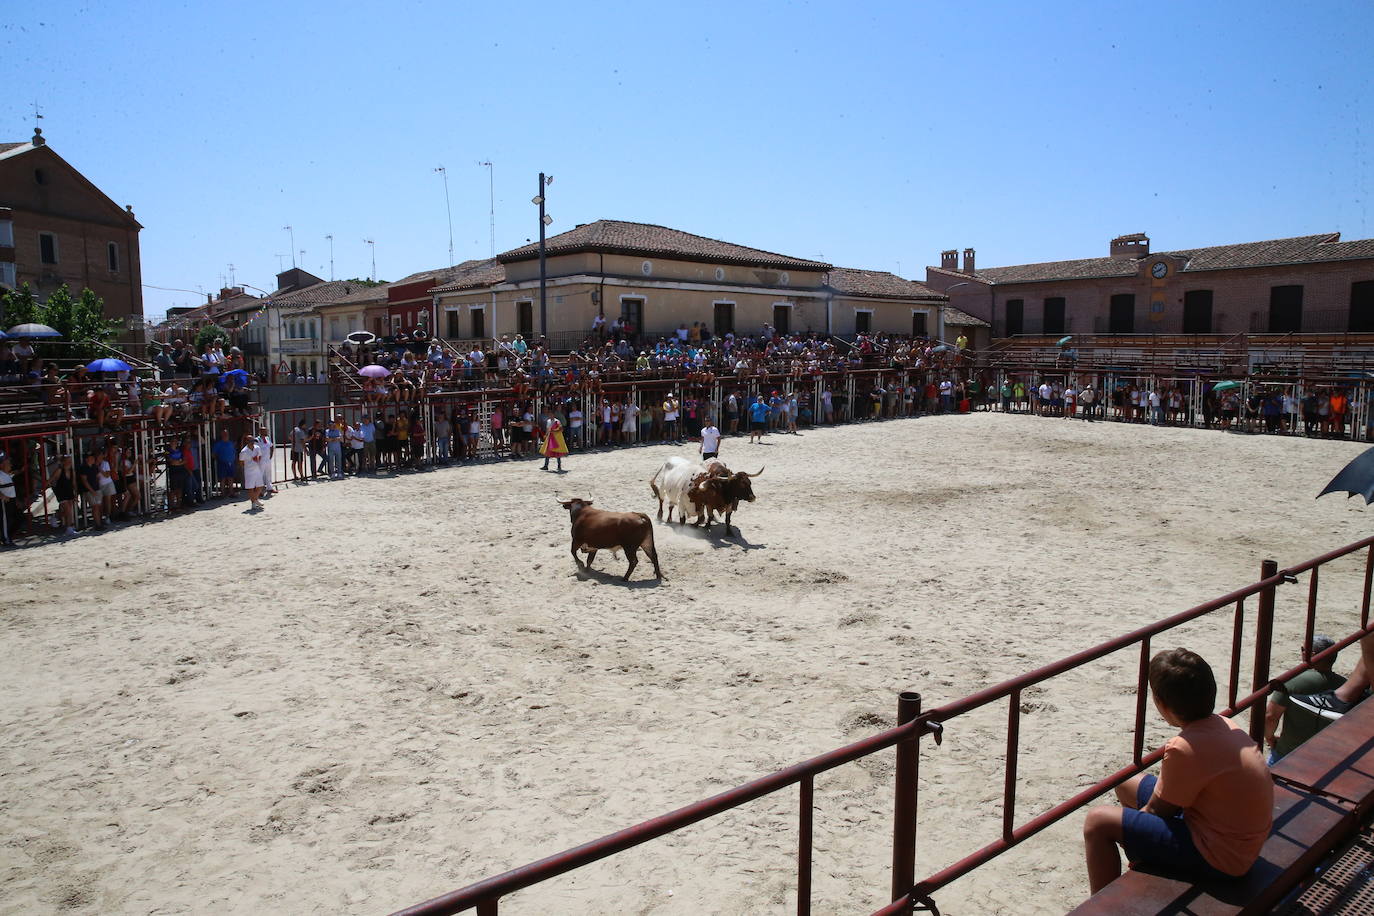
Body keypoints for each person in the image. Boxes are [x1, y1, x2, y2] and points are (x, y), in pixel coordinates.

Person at [1081, 648, 1272, 894]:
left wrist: (1137, 835)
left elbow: (1158, 810)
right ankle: (1148, 862)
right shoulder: (1224, 725)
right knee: (1126, 782)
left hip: (1223, 858)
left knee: (1098, 822)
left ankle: (1101, 908)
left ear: (1161, 703)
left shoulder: (1185, 747)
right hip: (1237, 840)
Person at [1264, 635, 1344, 765]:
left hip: (1290, 751)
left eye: (1302, 649)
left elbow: (1270, 717)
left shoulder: (1292, 681)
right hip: (1327, 755)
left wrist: (1270, 738)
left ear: (1312, 654)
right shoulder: (1346, 685)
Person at [239, 433, 265, 510]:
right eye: (251, 440)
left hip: (257, 470)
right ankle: (253, 503)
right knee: (250, 488)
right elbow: (241, 462)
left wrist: (257, 459)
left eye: (253, 440)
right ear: (247, 441)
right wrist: (249, 465)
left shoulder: (257, 448)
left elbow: (259, 456)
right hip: (249, 471)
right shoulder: (244, 451)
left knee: (260, 486)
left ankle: (255, 499)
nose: (252, 442)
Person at [212, 428, 238, 498]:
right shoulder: (218, 444)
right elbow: (213, 454)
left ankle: (231, 492)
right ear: (221, 435)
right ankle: (223, 494)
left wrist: (235, 460)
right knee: (222, 478)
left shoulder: (231, 443)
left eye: (226, 434)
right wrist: (219, 459)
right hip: (222, 463)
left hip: (231, 463)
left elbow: (234, 452)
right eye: (224, 434)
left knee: (231, 478)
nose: (225, 435)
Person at [0, 452, 18, 546]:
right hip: (5, 501)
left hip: (11, 500)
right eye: (7, 462)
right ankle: (6, 539)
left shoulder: (6, 474)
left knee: (15, 518)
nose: (10, 464)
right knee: (5, 520)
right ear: (2, 464)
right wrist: (2, 496)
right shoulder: (0, 475)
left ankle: (8, 537)